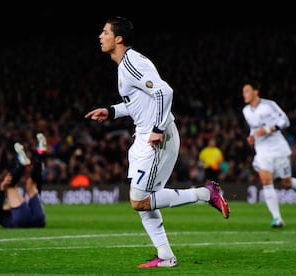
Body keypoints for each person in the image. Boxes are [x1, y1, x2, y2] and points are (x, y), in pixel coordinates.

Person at [85, 16, 229, 268]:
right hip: (144, 135)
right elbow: (139, 102)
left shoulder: (131, 63)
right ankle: (165, 255)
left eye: (105, 32)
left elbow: (164, 92)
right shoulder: (125, 65)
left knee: (139, 200)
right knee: (143, 202)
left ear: (118, 38)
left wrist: (157, 129)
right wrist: (111, 111)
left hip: (155, 138)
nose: (100, 36)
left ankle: (206, 193)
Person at [241, 80, 296, 228]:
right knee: (266, 181)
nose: (244, 94)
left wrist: (267, 130)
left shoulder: (268, 105)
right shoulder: (246, 111)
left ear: (256, 92)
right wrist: (252, 136)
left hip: (279, 149)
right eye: (243, 91)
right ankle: (277, 218)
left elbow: (285, 121)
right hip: (262, 151)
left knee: (286, 182)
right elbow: (254, 128)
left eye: (247, 90)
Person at [0, 133, 47, 228]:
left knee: (15, 185)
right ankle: (39, 154)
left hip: (24, 220)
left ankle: (23, 164)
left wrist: (2, 189)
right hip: (39, 219)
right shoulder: (4, 216)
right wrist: (2, 189)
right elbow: (37, 190)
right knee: (30, 184)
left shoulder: (4, 218)